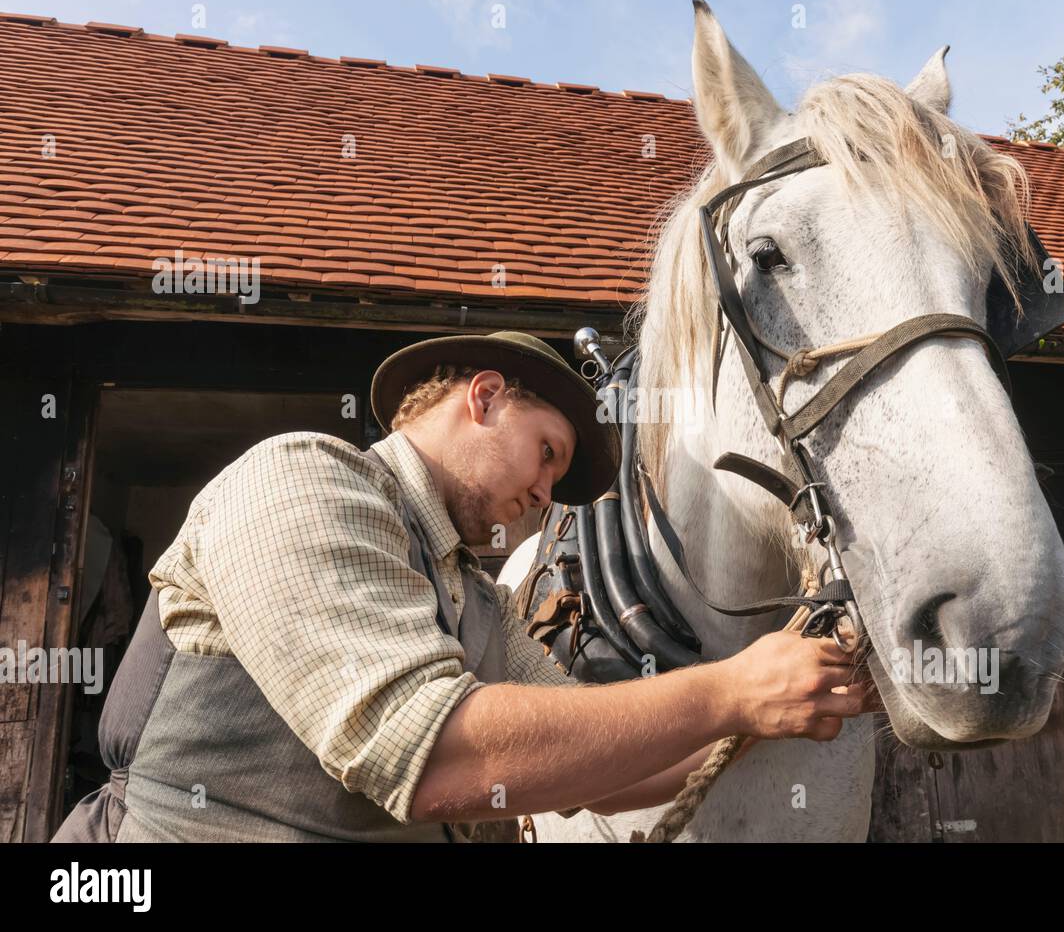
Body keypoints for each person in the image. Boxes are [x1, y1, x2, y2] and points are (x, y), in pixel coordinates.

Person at [53, 331, 877, 843]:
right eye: (548, 451)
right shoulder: (303, 479)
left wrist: (786, 706)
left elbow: (600, 770)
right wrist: (731, 688)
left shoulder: (479, 603)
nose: (549, 492)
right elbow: (437, 758)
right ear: (484, 397)